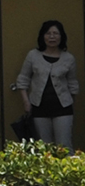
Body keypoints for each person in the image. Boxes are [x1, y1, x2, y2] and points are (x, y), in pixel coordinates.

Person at [14, 21, 77, 149]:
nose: (52, 37)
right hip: (39, 108)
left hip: (63, 109)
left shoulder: (69, 58)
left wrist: (70, 101)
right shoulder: (33, 56)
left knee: (64, 146)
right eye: (48, 33)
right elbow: (23, 79)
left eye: (55, 33)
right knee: (43, 147)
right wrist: (26, 101)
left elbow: (73, 83)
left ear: (61, 36)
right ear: (42, 36)